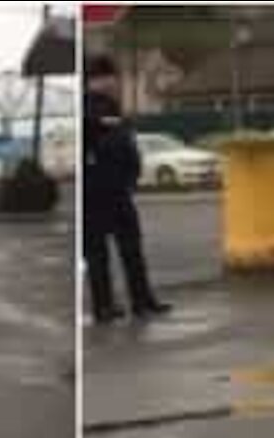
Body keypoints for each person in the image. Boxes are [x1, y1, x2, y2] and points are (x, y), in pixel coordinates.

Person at [83, 55, 170, 324]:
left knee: (131, 247)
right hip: (95, 191)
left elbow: (124, 143)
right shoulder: (87, 108)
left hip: (118, 188)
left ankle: (142, 300)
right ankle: (105, 307)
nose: (112, 82)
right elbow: (92, 136)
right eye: (106, 78)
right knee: (98, 252)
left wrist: (131, 174)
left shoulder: (113, 107)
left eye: (113, 77)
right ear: (94, 80)